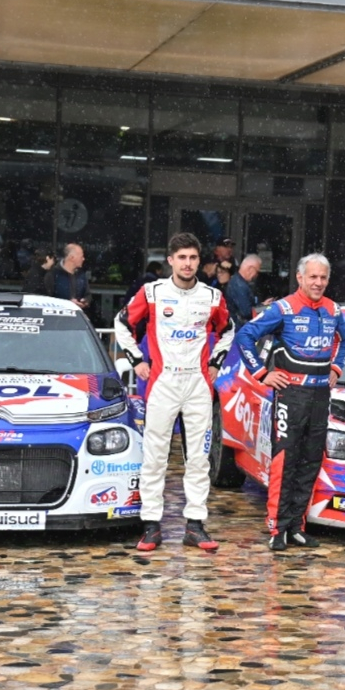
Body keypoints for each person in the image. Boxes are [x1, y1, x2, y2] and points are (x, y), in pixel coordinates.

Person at [114, 233, 235, 552]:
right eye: (181, 257)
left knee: (198, 459)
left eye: (193, 258)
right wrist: (137, 360)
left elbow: (228, 330)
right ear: (170, 260)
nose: (187, 263)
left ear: (199, 261)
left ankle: (195, 525)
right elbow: (122, 323)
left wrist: (215, 364)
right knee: (154, 457)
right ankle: (151, 525)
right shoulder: (152, 292)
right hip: (162, 384)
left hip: (197, 384)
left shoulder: (211, 297)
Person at [235, 253, 345, 552]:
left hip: (319, 395)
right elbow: (245, 336)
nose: (318, 283)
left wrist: (336, 368)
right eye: (313, 277)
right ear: (300, 278)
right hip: (291, 395)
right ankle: (277, 527)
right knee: (285, 461)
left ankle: (296, 526)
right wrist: (263, 374)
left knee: (311, 459)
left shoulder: (333, 309)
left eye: (323, 277)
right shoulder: (283, 308)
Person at [49, 243, 90, 310]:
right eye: (81, 256)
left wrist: (85, 301)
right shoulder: (53, 274)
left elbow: (88, 295)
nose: (83, 259)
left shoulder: (81, 275)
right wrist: (67, 303)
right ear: (72, 258)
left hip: (77, 316)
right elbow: (47, 298)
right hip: (58, 316)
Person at [226, 254, 262, 329]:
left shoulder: (238, 282)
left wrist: (262, 305)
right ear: (250, 269)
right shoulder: (239, 285)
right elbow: (247, 312)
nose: (256, 275)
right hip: (238, 329)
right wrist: (265, 308)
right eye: (257, 272)